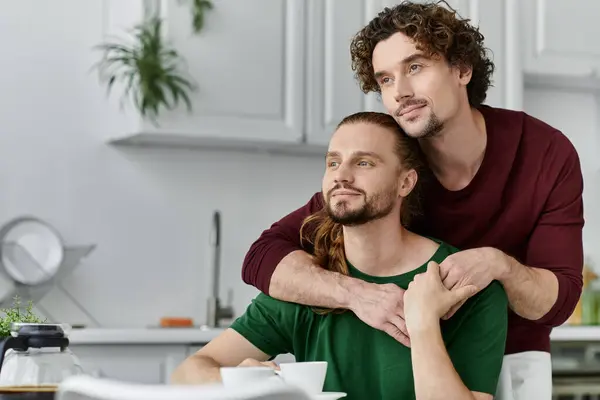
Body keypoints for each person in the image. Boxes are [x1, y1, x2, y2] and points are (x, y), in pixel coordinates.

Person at [240, 2, 584, 399]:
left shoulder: (544, 153)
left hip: (514, 365)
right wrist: (357, 294)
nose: (400, 92)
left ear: (462, 69)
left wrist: (499, 265)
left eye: (415, 67)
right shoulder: (390, 168)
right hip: (409, 360)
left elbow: (558, 300)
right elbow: (261, 257)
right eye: (385, 80)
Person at [172, 111, 508, 399]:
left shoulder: (467, 288)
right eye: (333, 161)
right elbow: (187, 374)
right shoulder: (308, 284)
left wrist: (422, 325)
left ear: (405, 182)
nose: (341, 175)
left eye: (363, 162)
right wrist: (239, 382)